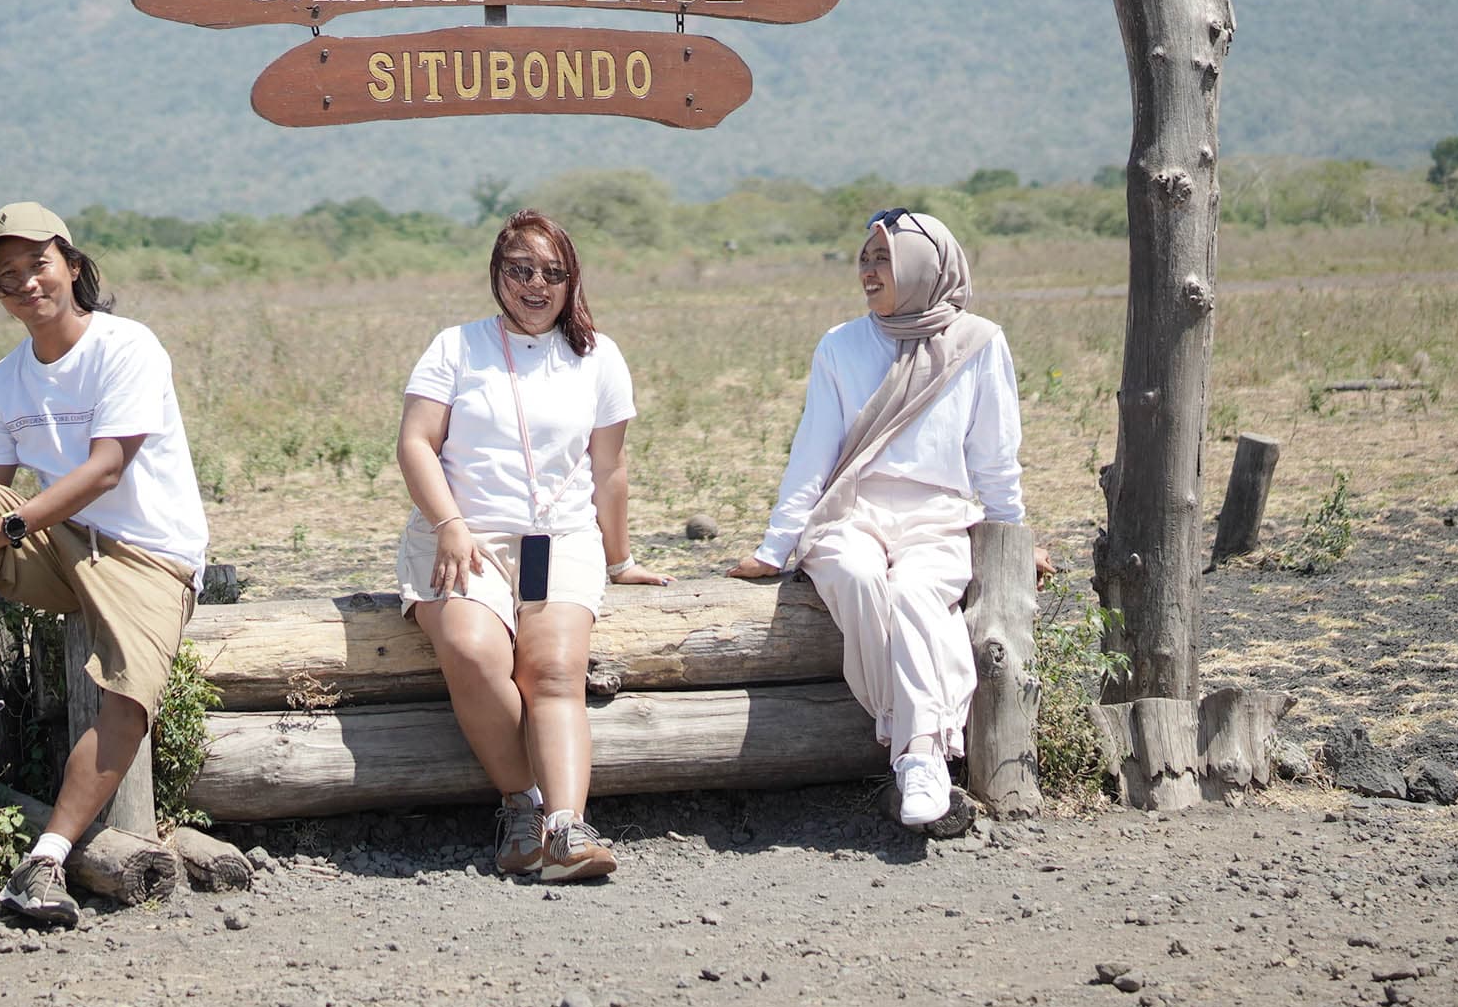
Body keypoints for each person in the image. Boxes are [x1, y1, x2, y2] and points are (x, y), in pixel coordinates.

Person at [0, 202, 210, 929]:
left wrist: (6, 526)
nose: (26, 284)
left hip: (148, 555)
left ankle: (46, 857)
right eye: (6, 275)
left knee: (127, 698)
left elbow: (109, 468)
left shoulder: (127, 347)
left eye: (38, 265)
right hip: (59, 547)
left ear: (73, 267)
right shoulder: (4, 380)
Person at [729, 207, 1036, 829]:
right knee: (855, 575)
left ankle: (917, 756)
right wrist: (775, 545)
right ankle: (915, 733)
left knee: (918, 594)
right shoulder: (841, 345)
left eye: (884, 259)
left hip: (940, 514)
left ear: (925, 267)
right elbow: (812, 453)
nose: (869, 271)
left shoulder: (979, 342)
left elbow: (995, 455)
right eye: (865, 258)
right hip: (853, 507)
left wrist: (1013, 533)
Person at [396, 210, 667, 883]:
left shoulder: (598, 355)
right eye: (520, 269)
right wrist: (451, 525)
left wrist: (620, 559)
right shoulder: (456, 348)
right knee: (471, 647)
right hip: (464, 534)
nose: (535, 285)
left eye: (552, 272)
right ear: (497, 275)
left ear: (572, 280)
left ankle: (568, 830)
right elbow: (415, 444)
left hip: (561, 536)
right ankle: (524, 808)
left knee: (551, 668)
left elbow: (609, 470)